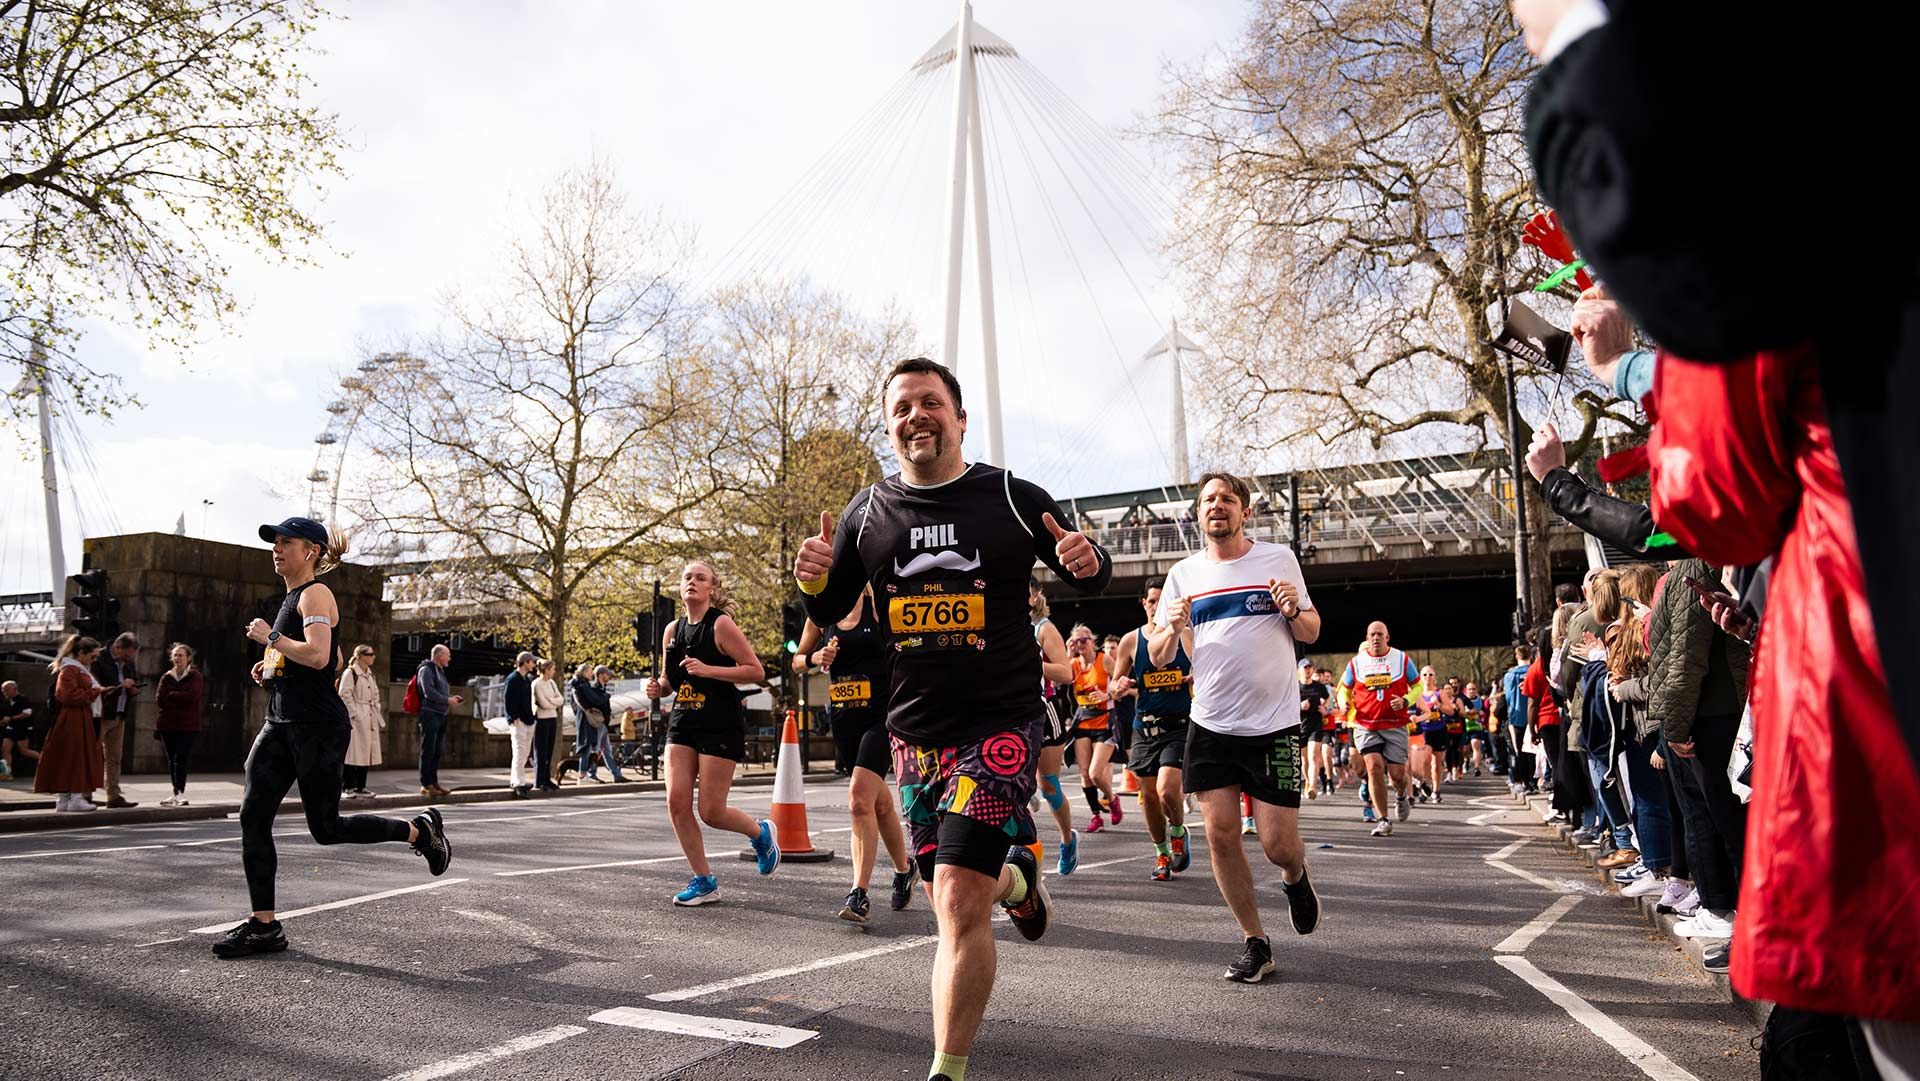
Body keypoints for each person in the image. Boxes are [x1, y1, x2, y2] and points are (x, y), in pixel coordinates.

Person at [794, 357, 1110, 1081]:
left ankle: (946, 1070)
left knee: (961, 896)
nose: (916, 416)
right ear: (890, 425)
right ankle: (1022, 884)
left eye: (930, 402)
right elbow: (826, 603)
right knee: (948, 894)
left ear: (959, 418)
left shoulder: (1008, 494)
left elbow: (1090, 570)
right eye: (902, 406)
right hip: (913, 736)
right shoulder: (867, 513)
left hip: (999, 724)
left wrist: (1088, 560)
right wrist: (813, 582)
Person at [214, 517, 449, 959]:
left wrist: (272, 638)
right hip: (281, 723)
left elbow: (320, 656)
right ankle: (264, 926)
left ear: (312, 552)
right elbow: (336, 656)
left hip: (318, 729)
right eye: (275, 543)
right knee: (252, 815)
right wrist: (273, 668)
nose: (277, 549)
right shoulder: (293, 599)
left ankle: (419, 832)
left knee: (326, 828)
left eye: (287, 542)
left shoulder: (316, 593)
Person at [1151, 471, 1321, 983]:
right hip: (1211, 724)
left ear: (1245, 512)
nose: (1216, 506)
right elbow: (1158, 654)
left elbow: (1311, 630)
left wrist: (1293, 610)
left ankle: (1295, 876)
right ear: (1198, 514)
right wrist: (1173, 626)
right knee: (1220, 835)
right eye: (1207, 500)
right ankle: (1255, 941)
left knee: (1276, 845)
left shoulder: (1277, 560)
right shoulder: (1182, 575)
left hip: (1273, 726)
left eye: (1226, 498)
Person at [643, 560, 775, 907]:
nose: (692, 582)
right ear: (680, 587)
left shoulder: (721, 625)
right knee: (676, 802)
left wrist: (708, 669)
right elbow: (673, 680)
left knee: (712, 811)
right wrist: (660, 687)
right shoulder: (672, 630)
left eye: (700, 578)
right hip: (684, 720)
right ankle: (704, 881)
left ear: (711, 588)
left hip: (719, 721)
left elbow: (755, 670)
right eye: (687, 577)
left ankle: (760, 833)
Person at [803, 588, 916, 923]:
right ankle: (904, 869)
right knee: (878, 805)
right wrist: (815, 658)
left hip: (880, 716)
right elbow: (797, 659)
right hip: (844, 720)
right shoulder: (822, 614)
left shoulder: (877, 605)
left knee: (858, 800)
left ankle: (859, 893)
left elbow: (905, 644)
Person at [1108, 578, 1193, 881]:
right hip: (1144, 726)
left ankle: (1179, 831)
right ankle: (1161, 853)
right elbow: (1114, 684)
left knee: (1167, 790)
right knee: (1150, 797)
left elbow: (1206, 671)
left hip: (1179, 726)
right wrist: (1119, 685)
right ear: (1144, 603)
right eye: (1152, 601)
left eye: (1163, 601)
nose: (1157, 606)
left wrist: (1194, 679)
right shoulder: (1132, 640)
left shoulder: (1185, 636)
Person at [1339, 622, 1419, 836]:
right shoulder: (1356, 663)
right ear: (1367, 637)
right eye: (1372, 634)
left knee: (1397, 775)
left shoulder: (1402, 659)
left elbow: (1418, 686)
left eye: (1379, 634)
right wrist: (1342, 703)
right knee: (1373, 767)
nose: (1376, 638)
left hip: (1395, 724)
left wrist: (1406, 700)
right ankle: (1383, 819)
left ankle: (1401, 795)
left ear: (1387, 637)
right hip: (1366, 725)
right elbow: (1343, 690)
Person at [1028, 580, 1080, 875]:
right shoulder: (1001, 619)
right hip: (1009, 709)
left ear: (1035, 595)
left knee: (1048, 783)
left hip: (1042, 707)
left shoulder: (1044, 628)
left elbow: (1066, 672)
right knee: (1013, 783)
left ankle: (1067, 838)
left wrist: (1031, 662)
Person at [35, 635, 108, 811]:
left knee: (68, 756)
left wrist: (99, 692)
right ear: (81, 653)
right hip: (74, 717)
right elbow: (68, 695)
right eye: (93, 656)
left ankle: (65, 799)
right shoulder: (71, 670)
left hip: (76, 716)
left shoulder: (75, 669)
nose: (94, 660)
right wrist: (94, 692)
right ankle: (73, 797)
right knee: (76, 755)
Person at [1066, 624, 1119, 832]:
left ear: (1093, 641)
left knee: (1096, 773)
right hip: (1083, 721)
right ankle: (1096, 815)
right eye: (1076, 641)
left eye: (1084, 640)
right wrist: (1067, 652)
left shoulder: (1103, 659)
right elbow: (1061, 679)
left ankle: (1112, 799)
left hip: (1104, 720)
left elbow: (1121, 682)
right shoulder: (1073, 664)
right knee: (1084, 773)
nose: (1080, 645)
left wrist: (1108, 695)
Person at [89, 631, 141, 808]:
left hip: (120, 714)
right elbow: (95, 688)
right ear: (118, 647)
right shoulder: (98, 659)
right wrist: (120, 686)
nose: (128, 659)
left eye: (131, 656)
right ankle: (85, 794)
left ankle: (114, 795)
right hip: (102, 714)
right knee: (92, 754)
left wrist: (133, 687)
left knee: (115, 758)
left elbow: (134, 682)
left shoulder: (128, 662)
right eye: (126, 655)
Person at [154, 643, 205, 807]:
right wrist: (178, 697)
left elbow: (192, 697)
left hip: (188, 725)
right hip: (167, 725)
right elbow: (160, 699)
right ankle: (175, 792)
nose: (177, 658)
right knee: (171, 760)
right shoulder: (166, 677)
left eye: (181, 655)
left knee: (181, 758)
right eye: (175, 655)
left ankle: (180, 792)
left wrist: (172, 696)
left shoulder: (195, 676)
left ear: (188, 658)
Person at [413, 645, 462, 798]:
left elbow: (438, 691)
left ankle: (433, 782)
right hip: (430, 714)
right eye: (448, 655)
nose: (449, 658)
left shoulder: (439, 671)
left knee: (437, 750)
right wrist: (447, 700)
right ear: (439, 655)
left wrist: (451, 699)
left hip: (441, 714)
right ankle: (425, 784)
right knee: (428, 749)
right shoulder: (426, 670)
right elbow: (428, 692)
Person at [337, 644, 383, 798]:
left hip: (368, 716)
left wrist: (375, 707)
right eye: (370, 654)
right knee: (353, 753)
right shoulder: (350, 673)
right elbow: (345, 695)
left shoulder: (370, 674)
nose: (373, 656)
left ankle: (361, 787)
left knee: (365, 753)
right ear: (361, 656)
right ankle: (347, 787)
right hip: (356, 718)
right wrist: (355, 714)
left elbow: (375, 694)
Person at [577, 666, 627, 784]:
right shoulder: (594, 688)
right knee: (597, 749)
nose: (609, 676)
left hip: (603, 723)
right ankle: (592, 773)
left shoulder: (601, 688)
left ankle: (616, 774)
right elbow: (596, 702)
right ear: (600, 675)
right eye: (607, 674)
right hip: (598, 722)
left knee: (606, 750)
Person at [503, 651, 537, 795]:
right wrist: (512, 717)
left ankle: (518, 780)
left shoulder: (526, 680)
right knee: (519, 751)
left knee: (524, 752)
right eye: (532, 662)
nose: (534, 665)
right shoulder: (513, 679)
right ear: (525, 662)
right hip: (518, 721)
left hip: (528, 720)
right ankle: (518, 783)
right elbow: (507, 699)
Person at [1297, 660, 1333, 799]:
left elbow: (1328, 697)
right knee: (1304, 759)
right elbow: (1285, 704)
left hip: (1315, 725)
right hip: (1300, 726)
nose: (1307, 670)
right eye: (1305, 668)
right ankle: (1307, 782)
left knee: (1313, 756)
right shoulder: (1294, 687)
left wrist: (1325, 708)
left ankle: (1312, 786)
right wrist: (1300, 706)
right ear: (1299, 670)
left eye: (1310, 668)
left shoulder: (1319, 687)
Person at [530, 659, 563, 794]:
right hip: (541, 719)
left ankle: (546, 778)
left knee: (549, 750)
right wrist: (552, 702)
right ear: (546, 669)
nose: (554, 671)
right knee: (541, 751)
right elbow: (542, 703)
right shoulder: (536, 684)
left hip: (552, 718)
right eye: (552, 669)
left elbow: (560, 699)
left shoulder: (552, 683)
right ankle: (539, 780)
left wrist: (552, 702)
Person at [1, 680, 37, 780]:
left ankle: (45, 759)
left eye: (7, 690)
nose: (5, 692)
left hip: (22, 728)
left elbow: (27, 713)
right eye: (3, 690)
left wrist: (11, 718)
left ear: (14, 689)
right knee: (5, 749)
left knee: (24, 751)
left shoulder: (23, 699)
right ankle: (7, 773)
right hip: (11, 728)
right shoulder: (8, 701)